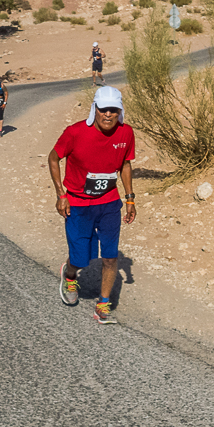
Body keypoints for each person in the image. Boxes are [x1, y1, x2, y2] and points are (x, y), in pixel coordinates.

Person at [46, 85, 136, 324]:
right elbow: (54, 157)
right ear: (94, 109)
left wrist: (130, 198)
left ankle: (103, 305)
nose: (108, 114)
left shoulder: (126, 133)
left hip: (109, 204)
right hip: (78, 203)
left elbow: (125, 164)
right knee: (81, 257)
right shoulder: (75, 132)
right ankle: (70, 274)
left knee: (109, 257)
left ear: (120, 111)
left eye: (113, 110)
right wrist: (60, 194)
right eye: (103, 109)